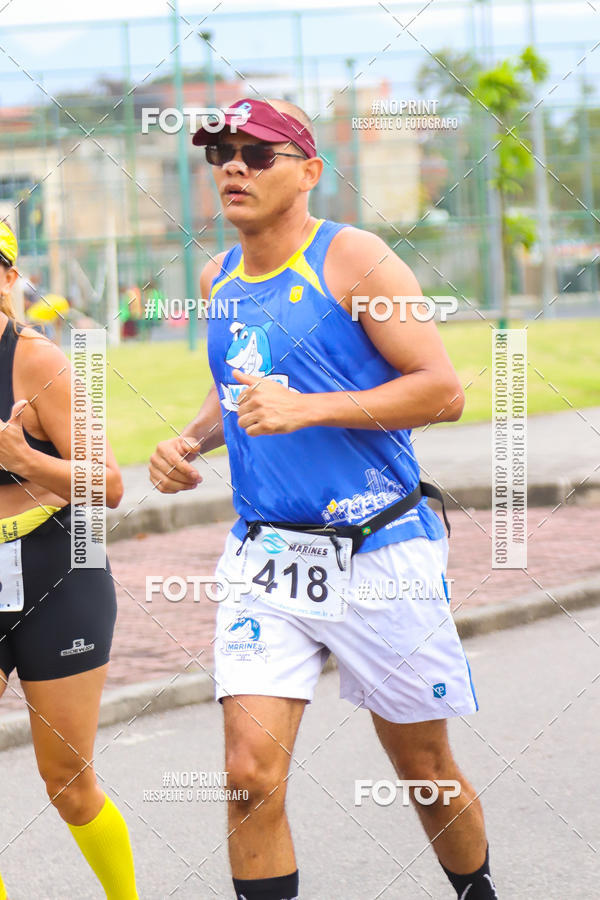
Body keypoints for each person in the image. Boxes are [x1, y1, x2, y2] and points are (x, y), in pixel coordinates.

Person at [149, 98, 498, 900]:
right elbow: (238, 380)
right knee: (248, 776)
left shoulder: (356, 258)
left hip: (381, 549)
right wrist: (190, 441)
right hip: (268, 556)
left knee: (423, 768)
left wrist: (310, 408)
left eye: (256, 153)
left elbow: (442, 391)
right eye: (220, 154)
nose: (233, 167)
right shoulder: (219, 276)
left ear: (308, 171)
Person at [0, 222, 139, 899]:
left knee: (68, 782)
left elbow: (109, 485)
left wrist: (25, 459)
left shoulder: (36, 361)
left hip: (58, 569)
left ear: (7, 279)